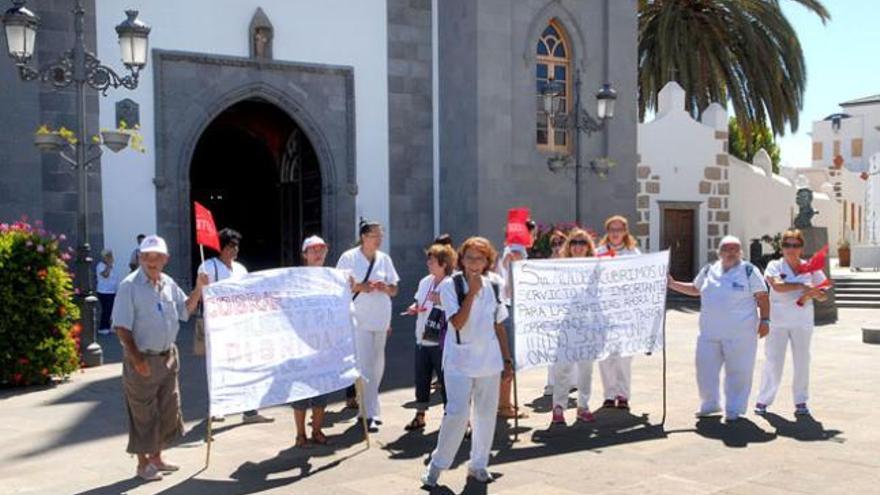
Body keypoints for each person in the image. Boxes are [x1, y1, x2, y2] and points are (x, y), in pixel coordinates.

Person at [112, 235, 208, 481]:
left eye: (156, 257)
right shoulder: (129, 286)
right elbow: (122, 327)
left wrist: (199, 288)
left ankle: (157, 457)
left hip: (168, 357)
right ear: (139, 258)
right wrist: (137, 360)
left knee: (168, 410)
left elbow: (185, 310)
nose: (151, 261)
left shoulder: (168, 283)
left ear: (165, 259)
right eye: (146, 256)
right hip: (142, 358)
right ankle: (143, 465)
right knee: (143, 414)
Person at [421, 237, 513, 487]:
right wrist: (471, 293)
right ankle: (437, 465)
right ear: (461, 259)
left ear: (487, 262)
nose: (474, 263)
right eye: (470, 257)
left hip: (489, 362)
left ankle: (478, 465)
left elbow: (499, 324)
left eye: (480, 258)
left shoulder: (495, 284)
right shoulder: (451, 286)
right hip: (459, 361)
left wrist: (507, 359)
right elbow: (458, 323)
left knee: (485, 415)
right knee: (457, 414)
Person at [667, 235, 770, 422]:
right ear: (719, 252)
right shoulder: (708, 270)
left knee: (739, 372)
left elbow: (762, 297)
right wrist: (672, 284)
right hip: (709, 333)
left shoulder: (749, 271)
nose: (731, 252)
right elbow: (695, 289)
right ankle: (710, 403)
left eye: (735, 249)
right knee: (705, 369)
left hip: (741, 334)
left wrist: (765, 321)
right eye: (726, 249)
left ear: (741, 252)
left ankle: (735, 408)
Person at [198, 228, 274, 425]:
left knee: (246, 365)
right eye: (230, 246)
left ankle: (250, 410)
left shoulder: (241, 269)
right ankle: (217, 407)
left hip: (240, 325)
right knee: (218, 367)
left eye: (236, 246)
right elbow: (204, 294)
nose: (234, 250)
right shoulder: (208, 267)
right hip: (218, 326)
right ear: (221, 248)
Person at [755, 229, 828, 416]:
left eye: (795, 245)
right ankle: (764, 399)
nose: (791, 249)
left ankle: (801, 401)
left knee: (802, 361)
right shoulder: (774, 266)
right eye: (787, 245)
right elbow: (778, 287)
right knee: (773, 361)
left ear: (801, 248)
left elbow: (823, 294)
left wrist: (815, 293)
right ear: (782, 247)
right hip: (778, 322)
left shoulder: (810, 266)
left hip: (802, 322)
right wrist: (803, 286)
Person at [336, 220, 400, 432]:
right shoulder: (349, 257)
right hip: (359, 319)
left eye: (381, 235)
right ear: (364, 236)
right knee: (364, 366)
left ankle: (366, 409)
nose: (379, 239)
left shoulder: (384, 259)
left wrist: (385, 287)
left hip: (381, 317)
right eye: (375, 235)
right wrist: (360, 287)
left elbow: (395, 289)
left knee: (378, 365)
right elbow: (339, 287)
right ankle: (371, 413)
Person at [403, 242, 456, 430]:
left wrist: (441, 300)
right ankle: (420, 415)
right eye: (429, 260)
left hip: (442, 340)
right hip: (423, 336)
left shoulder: (452, 283)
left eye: (432, 261)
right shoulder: (425, 281)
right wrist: (413, 307)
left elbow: (458, 308)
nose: (428, 263)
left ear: (443, 263)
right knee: (422, 378)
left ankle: (454, 418)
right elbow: (418, 300)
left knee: (446, 381)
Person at [550, 228, 600, 425]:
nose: (578, 247)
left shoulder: (596, 267)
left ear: (588, 247)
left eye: (582, 243)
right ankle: (558, 407)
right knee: (562, 368)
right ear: (568, 246)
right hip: (565, 325)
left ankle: (583, 406)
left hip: (588, 325)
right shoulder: (559, 267)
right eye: (574, 243)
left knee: (586, 370)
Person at [596, 215, 642, 410]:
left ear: (625, 232)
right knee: (605, 356)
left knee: (623, 357)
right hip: (603, 314)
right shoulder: (598, 253)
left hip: (626, 314)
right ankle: (609, 394)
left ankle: (622, 394)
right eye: (611, 230)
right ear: (607, 232)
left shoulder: (634, 254)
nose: (615, 234)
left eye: (619, 230)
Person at [292, 235, 334, 447]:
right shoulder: (295, 279)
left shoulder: (332, 278)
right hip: (301, 344)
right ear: (305, 254)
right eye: (313, 250)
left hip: (324, 344)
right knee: (300, 391)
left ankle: (317, 430)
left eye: (322, 249)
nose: (318, 253)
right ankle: (300, 434)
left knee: (322, 390)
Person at [495, 242, 527, 419]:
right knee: (507, 362)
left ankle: (504, 400)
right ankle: (504, 405)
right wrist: (508, 265)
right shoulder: (502, 269)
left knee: (511, 363)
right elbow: (507, 292)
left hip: (519, 315)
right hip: (507, 315)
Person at [543, 229, 575, 397]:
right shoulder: (546, 263)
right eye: (554, 243)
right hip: (551, 311)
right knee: (552, 349)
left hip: (569, 311)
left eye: (560, 243)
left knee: (568, 347)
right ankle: (551, 383)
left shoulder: (570, 263)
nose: (556, 247)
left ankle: (570, 381)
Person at [96, 249, 121, 335]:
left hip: (112, 291)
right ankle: (102, 328)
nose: (111, 258)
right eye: (108, 256)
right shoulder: (100, 265)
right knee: (106, 310)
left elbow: (115, 278)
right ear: (104, 257)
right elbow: (105, 275)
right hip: (104, 291)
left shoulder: (112, 265)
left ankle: (109, 326)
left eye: (111, 256)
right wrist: (109, 265)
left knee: (110, 310)